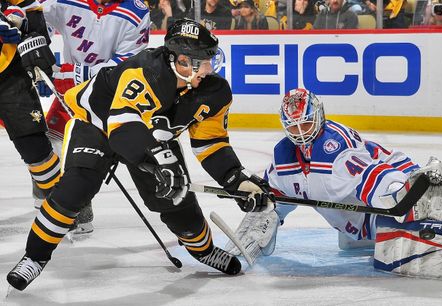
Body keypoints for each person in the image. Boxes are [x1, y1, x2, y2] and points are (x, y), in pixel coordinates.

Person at [6, 18, 272, 291]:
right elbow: (123, 130)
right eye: (203, 60)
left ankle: (203, 250)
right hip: (97, 125)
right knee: (76, 189)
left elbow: (211, 144)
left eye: (210, 58)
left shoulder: (214, 93)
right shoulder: (146, 71)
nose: (209, 66)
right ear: (180, 61)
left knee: (178, 204)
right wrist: (160, 163)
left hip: (151, 140)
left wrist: (236, 180)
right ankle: (34, 257)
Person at [225, 88, 442, 285]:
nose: (300, 132)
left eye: (305, 123)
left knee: (398, 238)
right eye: (293, 126)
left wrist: (399, 198)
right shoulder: (284, 155)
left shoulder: (335, 148)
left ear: (318, 117)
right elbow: (275, 201)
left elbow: (373, 176)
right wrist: (255, 216)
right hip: (354, 222)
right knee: (350, 234)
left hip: (396, 183)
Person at [36, 0, 151, 235]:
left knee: (87, 153)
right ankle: (49, 206)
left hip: (109, 96)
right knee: (45, 148)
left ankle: (78, 207)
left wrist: (66, 74)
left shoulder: (135, 11)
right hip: (71, 95)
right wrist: (40, 51)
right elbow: (37, 15)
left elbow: (127, 65)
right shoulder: (65, 1)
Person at [0, 2, 61, 218]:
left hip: (9, 73)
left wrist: (35, 49)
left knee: (35, 147)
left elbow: (31, 13)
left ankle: (63, 203)